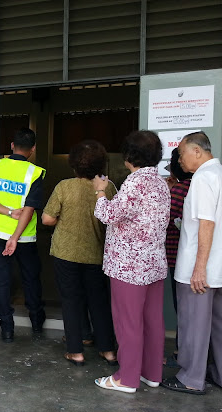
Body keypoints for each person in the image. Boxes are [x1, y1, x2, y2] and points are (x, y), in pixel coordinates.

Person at [162, 131, 222, 395]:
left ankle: (191, 378)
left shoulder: (203, 178)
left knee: (194, 323)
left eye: (181, 154)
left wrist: (199, 267)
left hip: (203, 266)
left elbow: (206, 224)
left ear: (197, 151)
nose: (180, 160)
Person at [92, 130, 170, 393]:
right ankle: (151, 373)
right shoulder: (160, 182)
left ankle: (126, 378)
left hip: (129, 265)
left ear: (128, 156)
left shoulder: (135, 182)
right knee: (152, 321)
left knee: (128, 323)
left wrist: (100, 192)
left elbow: (109, 215)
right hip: (153, 262)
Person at [42, 140, 117, 366]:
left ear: (74, 163)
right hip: (96, 254)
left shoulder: (64, 186)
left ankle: (76, 351)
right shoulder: (108, 187)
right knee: (99, 301)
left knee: (71, 300)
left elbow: (47, 219)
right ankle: (108, 350)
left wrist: (65, 221)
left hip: (66, 253)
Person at [0, 128, 46, 343]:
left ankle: (7, 329)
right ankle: (36, 322)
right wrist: (15, 237)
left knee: (2, 280)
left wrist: (8, 212)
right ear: (33, 149)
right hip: (24, 237)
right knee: (30, 278)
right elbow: (30, 208)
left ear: (11, 145)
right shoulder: (35, 173)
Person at [163, 148, 193, 366]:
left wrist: (169, 193)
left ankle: (182, 353)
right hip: (202, 258)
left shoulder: (180, 190)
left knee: (183, 308)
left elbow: (165, 220)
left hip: (178, 257)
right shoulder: (198, 184)